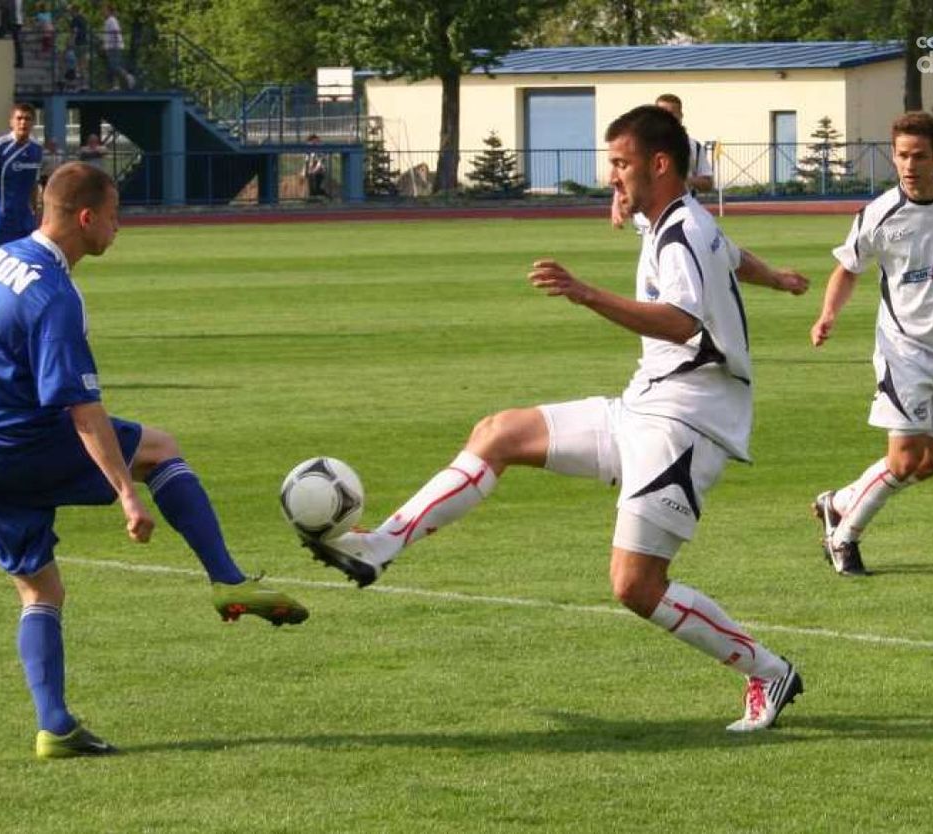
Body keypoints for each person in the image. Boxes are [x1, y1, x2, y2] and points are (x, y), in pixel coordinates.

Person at [305, 105, 811, 732]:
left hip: (685, 428)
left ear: (659, 164)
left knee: (635, 587)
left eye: (622, 164)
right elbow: (733, 258)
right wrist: (780, 280)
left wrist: (587, 292)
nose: (613, 178)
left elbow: (684, 323)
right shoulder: (677, 222)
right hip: (645, 406)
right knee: (499, 434)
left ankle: (766, 671)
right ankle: (379, 548)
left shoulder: (682, 233)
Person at [0, 163, 308, 760]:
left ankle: (55, 727)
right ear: (86, 218)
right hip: (13, 443)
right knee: (159, 449)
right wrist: (127, 493)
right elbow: (82, 408)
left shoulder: (1, 256)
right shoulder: (54, 296)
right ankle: (227, 580)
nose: (119, 227)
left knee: (40, 589)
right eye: (114, 215)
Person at [809, 112, 933, 577]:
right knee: (903, 460)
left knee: (929, 464)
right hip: (902, 351)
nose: (909, 165)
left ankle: (837, 502)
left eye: (919, 156)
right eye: (901, 155)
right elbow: (848, 268)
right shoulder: (880, 214)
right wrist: (828, 314)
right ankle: (844, 539)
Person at [612, 93, 712, 229]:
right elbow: (625, 176)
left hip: (682, 214)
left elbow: (708, 183)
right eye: (661, 113)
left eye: (671, 114)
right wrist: (616, 204)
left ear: (680, 116)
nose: (666, 118)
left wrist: (683, 180)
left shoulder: (694, 147)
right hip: (648, 217)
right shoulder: (640, 145)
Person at [0, 102, 43, 256]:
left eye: (27, 119)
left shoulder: (36, 149)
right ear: (11, 122)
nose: (23, 122)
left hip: (25, 218)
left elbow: (34, 183)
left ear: (33, 122)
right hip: (0, 217)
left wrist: (37, 211)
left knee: (25, 261)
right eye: (19, 118)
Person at [101, 4, 134, 90]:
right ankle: (115, 86)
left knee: (115, 66)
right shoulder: (108, 21)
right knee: (111, 67)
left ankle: (127, 76)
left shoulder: (112, 20)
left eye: (104, 10)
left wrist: (115, 44)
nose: (103, 12)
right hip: (110, 47)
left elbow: (115, 32)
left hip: (114, 47)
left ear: (109, 11)